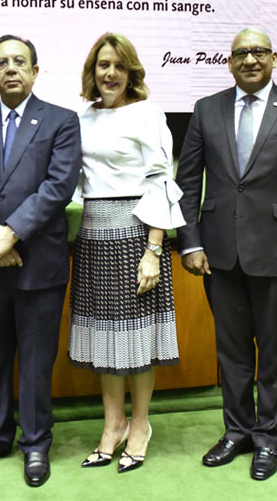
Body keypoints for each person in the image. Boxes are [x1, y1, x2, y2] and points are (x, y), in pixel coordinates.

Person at [176, 27, 277, 481]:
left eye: (258, 52)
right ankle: (237, 431)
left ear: (274, 58)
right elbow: (187, 183)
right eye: (241, 53)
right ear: (229, 61)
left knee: (275, 352)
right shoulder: (208, 110)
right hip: (218, 253)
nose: (249, 59)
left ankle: (268, 438)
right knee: (232, 352)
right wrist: (190, 240)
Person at [0, 34, 81, 488]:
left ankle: (36, 443)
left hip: (38, 263)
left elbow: (58, 186)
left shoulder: (61, 122)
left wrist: (12, 234)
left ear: (35, 70)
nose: (11, 69)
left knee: (37, 361)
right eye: (2, 63)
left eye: (20, 61)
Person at [68, 33, 184, 473]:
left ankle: (139, 426)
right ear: (92, 72)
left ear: (130, 71)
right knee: (105, 338)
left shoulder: (147, 113)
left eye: (118, 65)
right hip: (94, 234)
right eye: (102, 65)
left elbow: (160, 181)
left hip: (137, 236)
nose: (110, 73)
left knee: (137, 341)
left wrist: (154, 249)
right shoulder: (83, 117)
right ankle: (112, 424)